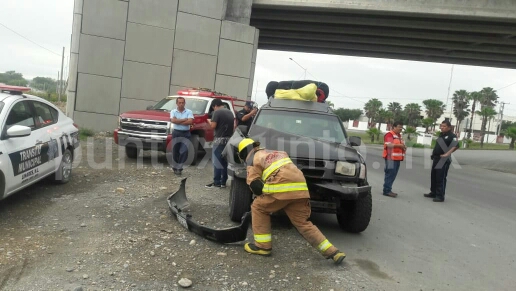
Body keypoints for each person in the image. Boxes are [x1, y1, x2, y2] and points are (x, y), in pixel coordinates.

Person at [236, 137, 346, 265]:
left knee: (258, 207)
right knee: (302, 223)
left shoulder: (252, 159)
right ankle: (333, 252)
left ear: (244, 153)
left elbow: (256, 186)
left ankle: (262, 246)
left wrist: (259, 194)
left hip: (281, 188)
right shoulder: (278, 153)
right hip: (300, 189)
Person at [424, 120, 459, 202]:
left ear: (449, 127)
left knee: (440, 177)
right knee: (434, 176)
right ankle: (433, 192)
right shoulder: (441, 135)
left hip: (443, 159)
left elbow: (456, 146)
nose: (442, 128)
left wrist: (447, 154)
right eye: (441, 126)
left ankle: (440, 196)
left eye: (444, 126)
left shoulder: (452, 136)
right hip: (436, 158)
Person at [206, 99, 234, 188]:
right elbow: (234, 126)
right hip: (228, 140)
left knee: (217, 161)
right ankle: (223, 182)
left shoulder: (217, 112)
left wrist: (209, 121)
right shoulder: (230, 112)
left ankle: (216, 182)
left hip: (219, 140)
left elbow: (213, 126)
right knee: (224, 161)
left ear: (215, 106)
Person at [382, 121, 407, 198]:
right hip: (390, 158)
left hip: (397, 158)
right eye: (399, 127)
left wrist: (403, 146)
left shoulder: (399, 135)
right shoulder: (389, 134)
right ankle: (386, 190)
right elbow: (389, 144)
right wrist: (400, 146)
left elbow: (400, 145)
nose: (401, 128)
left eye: (401, 127)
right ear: (394, 127)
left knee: (393, 174)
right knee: (390, 174)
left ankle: (388, 189)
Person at [170, 97, 193, 175]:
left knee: (184, 151)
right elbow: (173, 121)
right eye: (179, 103)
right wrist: (184, 120)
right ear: (177, 103)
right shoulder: (173, 111)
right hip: (176, 132)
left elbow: (190, 121)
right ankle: (175, 166)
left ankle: (179, 168)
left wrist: (178, 121)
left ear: (185, 103)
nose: (181, 104)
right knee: (175, 150)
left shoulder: (189, 111)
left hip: (186, 133)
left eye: (182, 102)